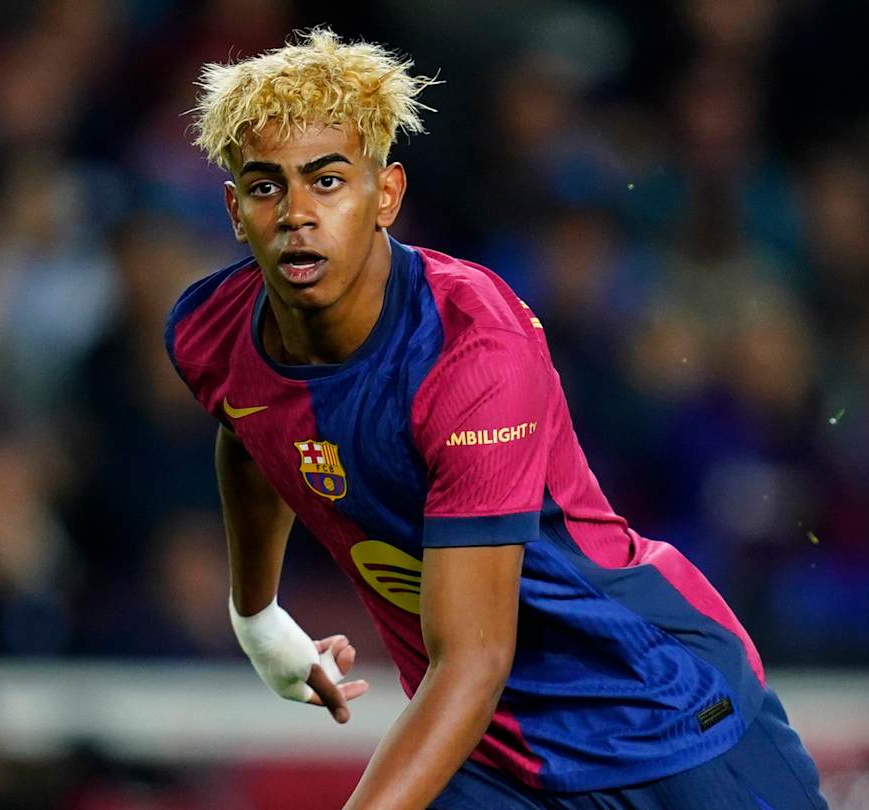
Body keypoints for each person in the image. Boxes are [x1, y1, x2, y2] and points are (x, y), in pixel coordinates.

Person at [164, 28, 828, 810]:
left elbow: (474, 663)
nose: (297, 214)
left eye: (328, 180)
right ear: (235, 211)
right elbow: (252, 429)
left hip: (664, 721)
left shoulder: (471, 352)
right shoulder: (209, 329)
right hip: (493, 759)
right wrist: (256, 615)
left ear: (387, 195)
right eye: (265, 187)